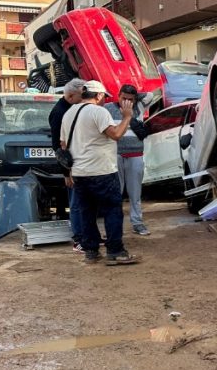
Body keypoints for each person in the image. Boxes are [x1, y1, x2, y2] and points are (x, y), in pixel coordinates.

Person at [60, 79, 139, 265]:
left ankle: (91, 251)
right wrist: (127, 116)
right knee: (112, 211)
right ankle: (116, 251)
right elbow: (116, 134)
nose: (105, 101)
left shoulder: (69, 113)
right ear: (99, 95)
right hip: (102, 171)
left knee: (87, 213)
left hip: (79, 172)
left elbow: (63, 145)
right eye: (104, 97)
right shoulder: (99, 112)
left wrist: (68, 171)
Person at [105, 83, 150, 236]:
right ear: (118, 96)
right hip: (115, 155)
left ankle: (137, 222)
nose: (126, 102)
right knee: (115, 193)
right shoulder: (108, 108)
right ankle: (115, 226)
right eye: (124, 98)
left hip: (135, 155)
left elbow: (151, 95)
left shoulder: (139, 107)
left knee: (135, 193)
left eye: (130, 99)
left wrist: (134, 100)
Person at [49, 78, 86, 251]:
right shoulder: (60, 112)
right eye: (81, 95)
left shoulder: (71, 108)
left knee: (82, 202)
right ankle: (79, 238)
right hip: (71, 166)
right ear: (71, 95)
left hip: (79, 163)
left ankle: (87, 235)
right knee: (76, 203)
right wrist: (66, 172)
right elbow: (58, 147)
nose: (83, 98)